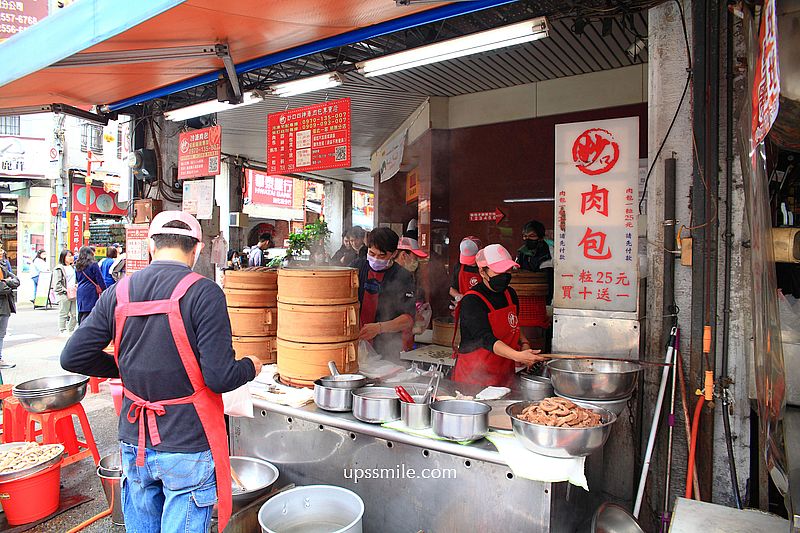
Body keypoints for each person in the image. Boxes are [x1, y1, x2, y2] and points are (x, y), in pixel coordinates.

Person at [60, 211, 262, 533]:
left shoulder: (118, 292)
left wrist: (123, 369)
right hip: (187, 441)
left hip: (134, 442)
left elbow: (72, 356)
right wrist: (250, 366)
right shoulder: (205, 292)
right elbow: (220, 377)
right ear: (196, 250)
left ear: (152, 247)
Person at [453, 244, 546, 387]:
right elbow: (486, 339)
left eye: (507, 270)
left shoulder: (510, 294)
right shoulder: (472, 300)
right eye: (499, 271)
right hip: (474, 379)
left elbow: (513, 325)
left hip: (504, 374)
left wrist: (525, 343)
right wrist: (518, 356)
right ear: (482, 272)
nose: (505, 276)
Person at [353, 227, 416, 363]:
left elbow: (408, 319)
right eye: (371, 253)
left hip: (387, 347)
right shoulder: (356, 267)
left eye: (382, 256)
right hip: (356, 344)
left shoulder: (403, 276)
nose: (375, 259)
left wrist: (379, 328)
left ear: (394, 254)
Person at [396, 236, 429, 350]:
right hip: (397, 337)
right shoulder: (403, 276)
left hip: (404, 334)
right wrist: (416, 316)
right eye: (415, 258)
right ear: (404, 255)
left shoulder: (406, 275)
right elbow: (400, 307)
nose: (416, 262)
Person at [75, 246, 106, 324]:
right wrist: (105, 290)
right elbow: (99, 279)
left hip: (80, 289)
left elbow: (77, 279)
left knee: (81, 311)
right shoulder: (93, 264)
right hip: (91, 290)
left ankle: (81, 326)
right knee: (89, 311)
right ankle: (86, 329)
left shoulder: (77, 265)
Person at [449, 236, 482, 302]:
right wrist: (458, 296)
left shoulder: (485, 268)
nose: (468, 263)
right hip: (464, 305)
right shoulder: (459, 266)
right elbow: (452, 289)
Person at [53, 249, 78, 336]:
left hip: (73, 292)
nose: (71, 258)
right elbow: (57, 283)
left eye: (72, 256)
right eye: (69, 256)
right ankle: (62, 330)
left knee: (75, 314)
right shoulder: (59, 268)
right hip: (64, 293)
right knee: (63, 312)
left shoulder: (73, 267)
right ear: (63, 257)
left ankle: (70, 329)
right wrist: (64, 290)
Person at [0, 260, 19, 369]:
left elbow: (16, 281)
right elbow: (3, 289)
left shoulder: (3, 266)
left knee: (1, 334)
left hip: (4, 306)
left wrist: (6, 282)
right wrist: (7, 282)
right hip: (2, 306)